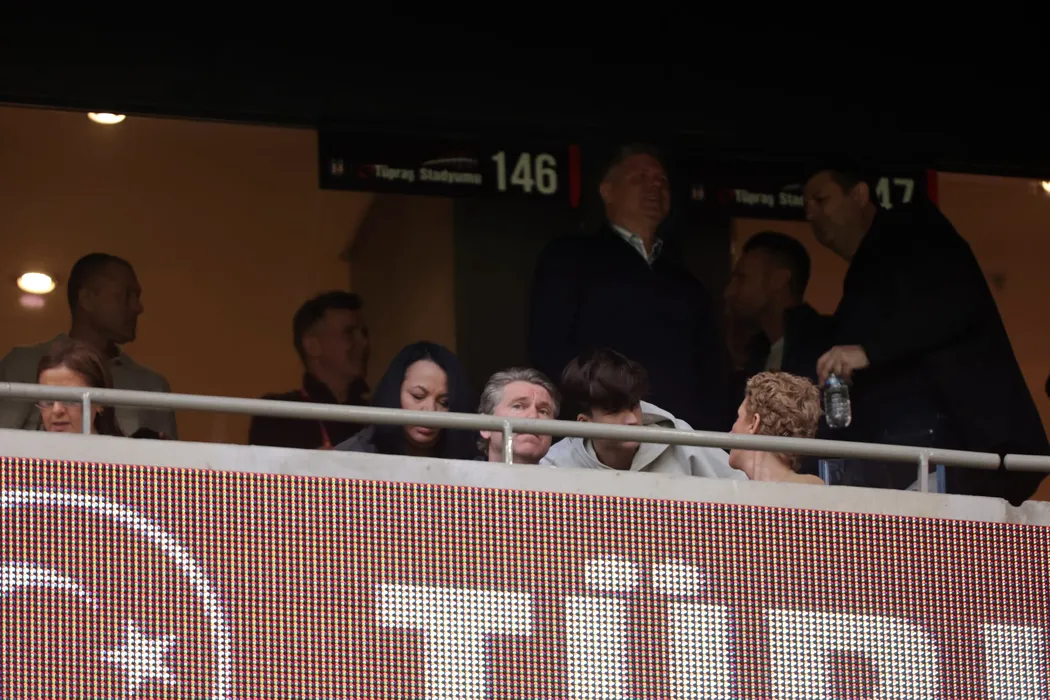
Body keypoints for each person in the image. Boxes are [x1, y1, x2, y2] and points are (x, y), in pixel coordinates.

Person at [804, 164, 1048, 502]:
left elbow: (956, 302)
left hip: (958, 445)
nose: (810, 214)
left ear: (859, 195)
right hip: (906, 455)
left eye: (821, 199)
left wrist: (867, 352)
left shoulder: (912, 228)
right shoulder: (863, 273)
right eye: (806, 206)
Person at [528, 143, 729, 431]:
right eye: (640, 178)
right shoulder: (570, 258)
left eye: (662, 181)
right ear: (607, 191)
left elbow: (712, 371)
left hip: (680, 435)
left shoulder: (686, 282)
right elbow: (549, 349)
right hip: (598, 430)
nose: (654, 187)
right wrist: (592, 410)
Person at [0, 253, 176, 438]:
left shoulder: (151, 386)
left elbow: (169, 455)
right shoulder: (21, 365)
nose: (138, 307)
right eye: (126, 295)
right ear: (87, 299)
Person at [541, 348, 745, 480]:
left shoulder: (681, 440)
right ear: (585, 424)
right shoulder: (555, 466)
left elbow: (743, 487)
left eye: (634, 406)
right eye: (615, 411)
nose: (632, 420)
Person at [249, 291, 370, 449]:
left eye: (364, 333)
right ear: (312, 346)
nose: (364, 342)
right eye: (349, 333)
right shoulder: (277, 414)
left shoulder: (377, 413)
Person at [335, 341, 476, 460]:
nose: (431, 410)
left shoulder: (470, 461)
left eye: (444, 402)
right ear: (394, 392)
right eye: (418, 396)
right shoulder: (354, 455)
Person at [725, 231, 833, 383]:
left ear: (778, 280)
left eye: (742, 278)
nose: (729, 292)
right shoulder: (757, 353)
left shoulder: (824, 350)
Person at [728, 371, 824, 485]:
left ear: (754, 423)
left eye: (738, 417)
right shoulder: (812, 489)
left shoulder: (810, 488)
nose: (730, 432)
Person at [35, 337, 123, 436]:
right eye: (47, 400)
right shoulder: (26, 444)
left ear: (100, 402)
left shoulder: (121, 446)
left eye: (70, 398)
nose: (57, 410)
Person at [477, 367, 559, 464]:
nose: (533, 416)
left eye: (543, 411)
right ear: (485, 427)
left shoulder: (570, 474)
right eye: (518, 406)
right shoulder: (463, 473)